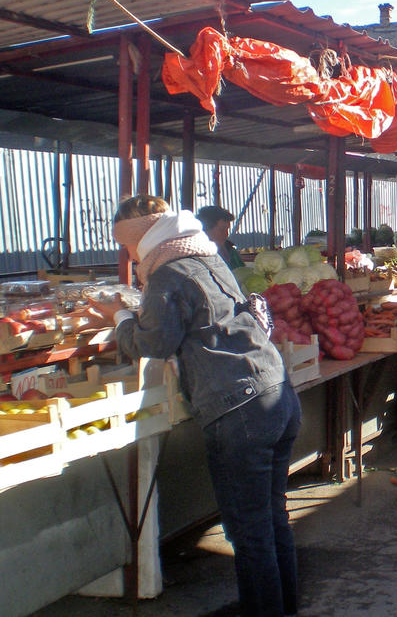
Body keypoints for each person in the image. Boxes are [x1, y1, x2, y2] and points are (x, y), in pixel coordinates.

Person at [88, 195, 300, 617]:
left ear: (141, 237)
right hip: (276, 393)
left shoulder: (166, 273)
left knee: (250, 532)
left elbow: (153, 344)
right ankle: (286, 607)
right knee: (271, 517)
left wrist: (119, 317)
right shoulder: (206, 254)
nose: (129, 255)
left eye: (127, 245)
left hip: (239, 408)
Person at [196, 205, 245, 270]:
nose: (226, 234)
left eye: (227, 229)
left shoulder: (231, 251)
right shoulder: (195, 258)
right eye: (222, 230)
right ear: (205, 230)